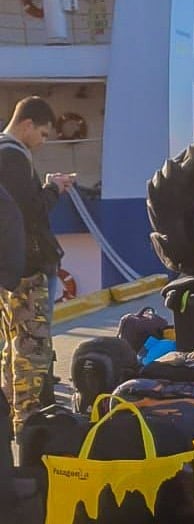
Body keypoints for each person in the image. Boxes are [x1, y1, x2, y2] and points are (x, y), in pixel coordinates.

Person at [0, 96, 72, 439]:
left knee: (13, 346)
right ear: (27, 124)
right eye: (42, 133)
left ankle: (12, 420)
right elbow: (31, 213)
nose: (43, 141)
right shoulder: (12, 156)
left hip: (12, 269)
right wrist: (53, 188)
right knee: (32, 350)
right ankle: (27, 426)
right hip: (27, 272)